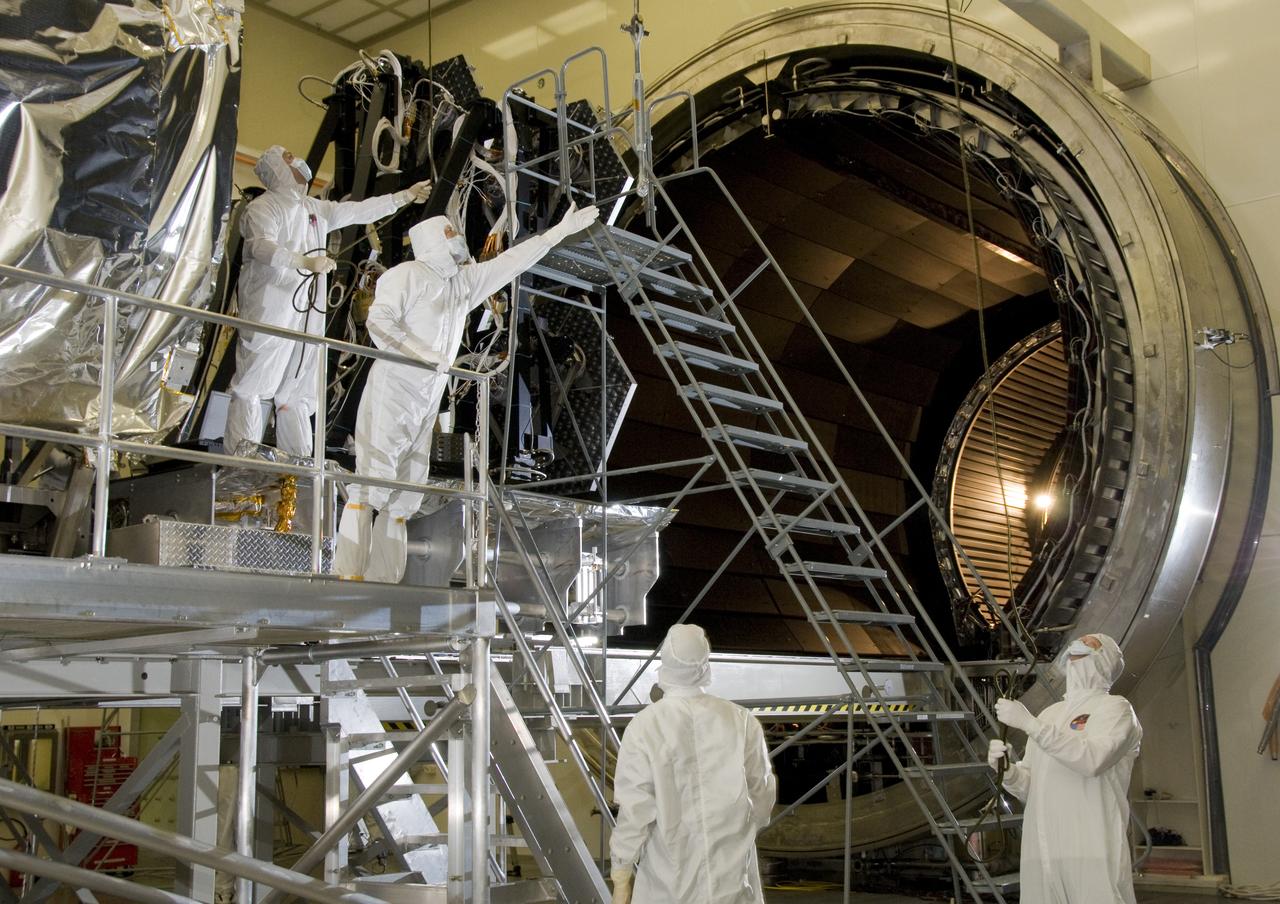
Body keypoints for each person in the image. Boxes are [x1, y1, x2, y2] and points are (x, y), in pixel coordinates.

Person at [334, 204, 600, 582]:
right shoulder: (406, 275)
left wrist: (558, 232)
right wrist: (423, 356)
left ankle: (384, 579)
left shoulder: (460, 284)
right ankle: (349, 575)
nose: (457, 239)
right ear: (430, 239)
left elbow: (512, 261)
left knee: (408, 486)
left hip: (427, 395)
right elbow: (380, 321)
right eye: (448, 234)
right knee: (373, 480)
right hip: (394, 387)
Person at [224, 145, 432, 459]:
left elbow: (360, 211)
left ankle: (301, 463)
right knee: (255, 382)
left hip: (307, 312)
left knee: (297, 389)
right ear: (276, 169)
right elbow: (261, 247)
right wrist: (304, 263)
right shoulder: (263, 208)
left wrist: (403, 196)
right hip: (272, 308)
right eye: (289, 159)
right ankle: (241, 461)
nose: (298, 165)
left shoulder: (314, 209)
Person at [609, 624, 777, 904]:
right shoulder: (741, 720)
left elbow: (635, 811)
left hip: (668, 886)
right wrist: (738, 834)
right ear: (705, 663)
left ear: (665, 665)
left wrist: (621, 873)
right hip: (733, 884)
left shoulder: (645, 726)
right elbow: (762, 796)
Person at [987, 633, 1142, 904]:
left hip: (1091, 847)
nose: (1076, 647)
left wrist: (1030, 725)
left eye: (1089, 644)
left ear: (1105, 660)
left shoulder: (1116, 710)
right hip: (1043, 848)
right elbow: (1031, 788)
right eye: (1074, 644)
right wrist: (1008, 770)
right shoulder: (1051, 714)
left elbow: (1092, 760)